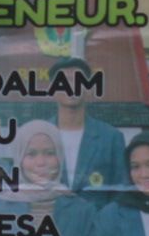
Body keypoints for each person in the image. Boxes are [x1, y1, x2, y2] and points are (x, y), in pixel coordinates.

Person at [49, 60, 128, 194]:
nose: (71, 86)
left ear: (89, 88)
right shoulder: (38, 135)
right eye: (64, 81)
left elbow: (121, 190)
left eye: (78, 80)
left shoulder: (111, 137)